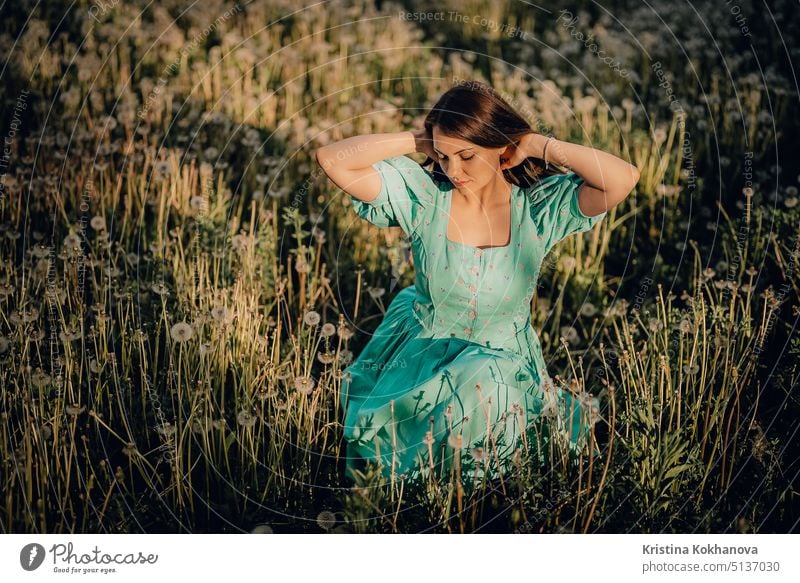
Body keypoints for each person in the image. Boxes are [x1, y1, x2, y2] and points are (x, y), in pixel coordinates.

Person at [315, 80, 640, 484]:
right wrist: (419, 139)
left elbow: (623, 179)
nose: (453, 171)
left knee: (488, 377)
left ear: (501, 147)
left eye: (467, 156)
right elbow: (332, 159)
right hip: (426, 356)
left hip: (503, 360)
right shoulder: (425, 198)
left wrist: (538, 144)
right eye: (445, 156)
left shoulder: (537, 210)